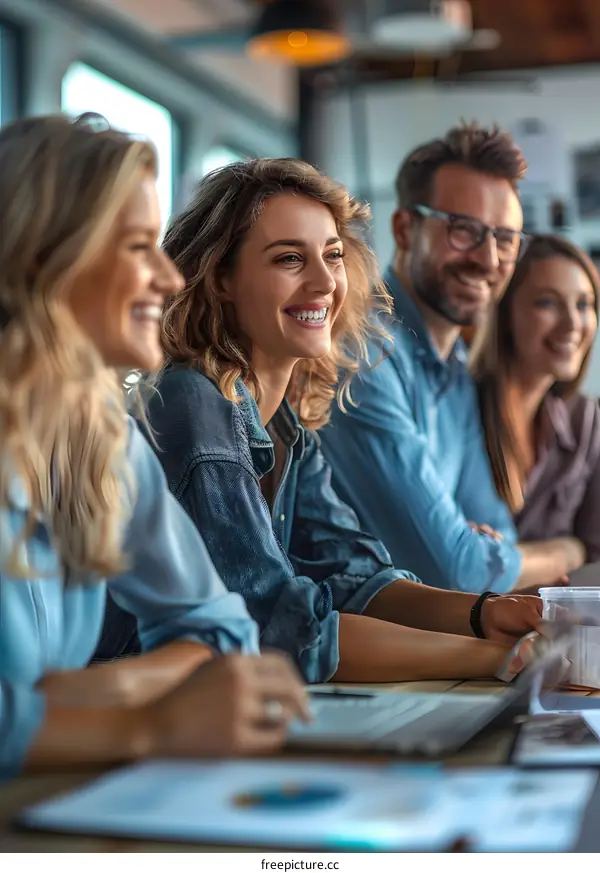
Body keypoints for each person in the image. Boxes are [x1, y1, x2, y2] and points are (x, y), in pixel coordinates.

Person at [99, 156, 549, 686]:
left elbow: (354, 577)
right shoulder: (192, 405)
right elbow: (280, 631)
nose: (323, 283)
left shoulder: (286, 423)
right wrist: (495, 657)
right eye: (290, 259)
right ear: (221, 277)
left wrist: (484, 613)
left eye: (332, 256)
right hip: (129, 721)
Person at [0, 115, 308, 779]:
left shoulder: (102, 434)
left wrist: (82, 696)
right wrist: (146, 722)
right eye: (139, 246)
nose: (170, 280)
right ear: (44, 258)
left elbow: (223, 629)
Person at [318, 123, 585, 594]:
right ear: (405, 228)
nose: (487, 259)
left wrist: (481, 551)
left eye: (505, 238)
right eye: (464, 230)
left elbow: (494, 529)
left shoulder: (457, 367)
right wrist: (571, 550)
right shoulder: (363, 353)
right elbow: (459, 571)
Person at [471, 234, 600, 561]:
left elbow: (596, 550)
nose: (573, 324)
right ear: (506, 313)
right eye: (548, 302)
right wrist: (569, 551)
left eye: (584, 304)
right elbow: (457, 563)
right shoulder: (459, 410)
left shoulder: (586, 420)